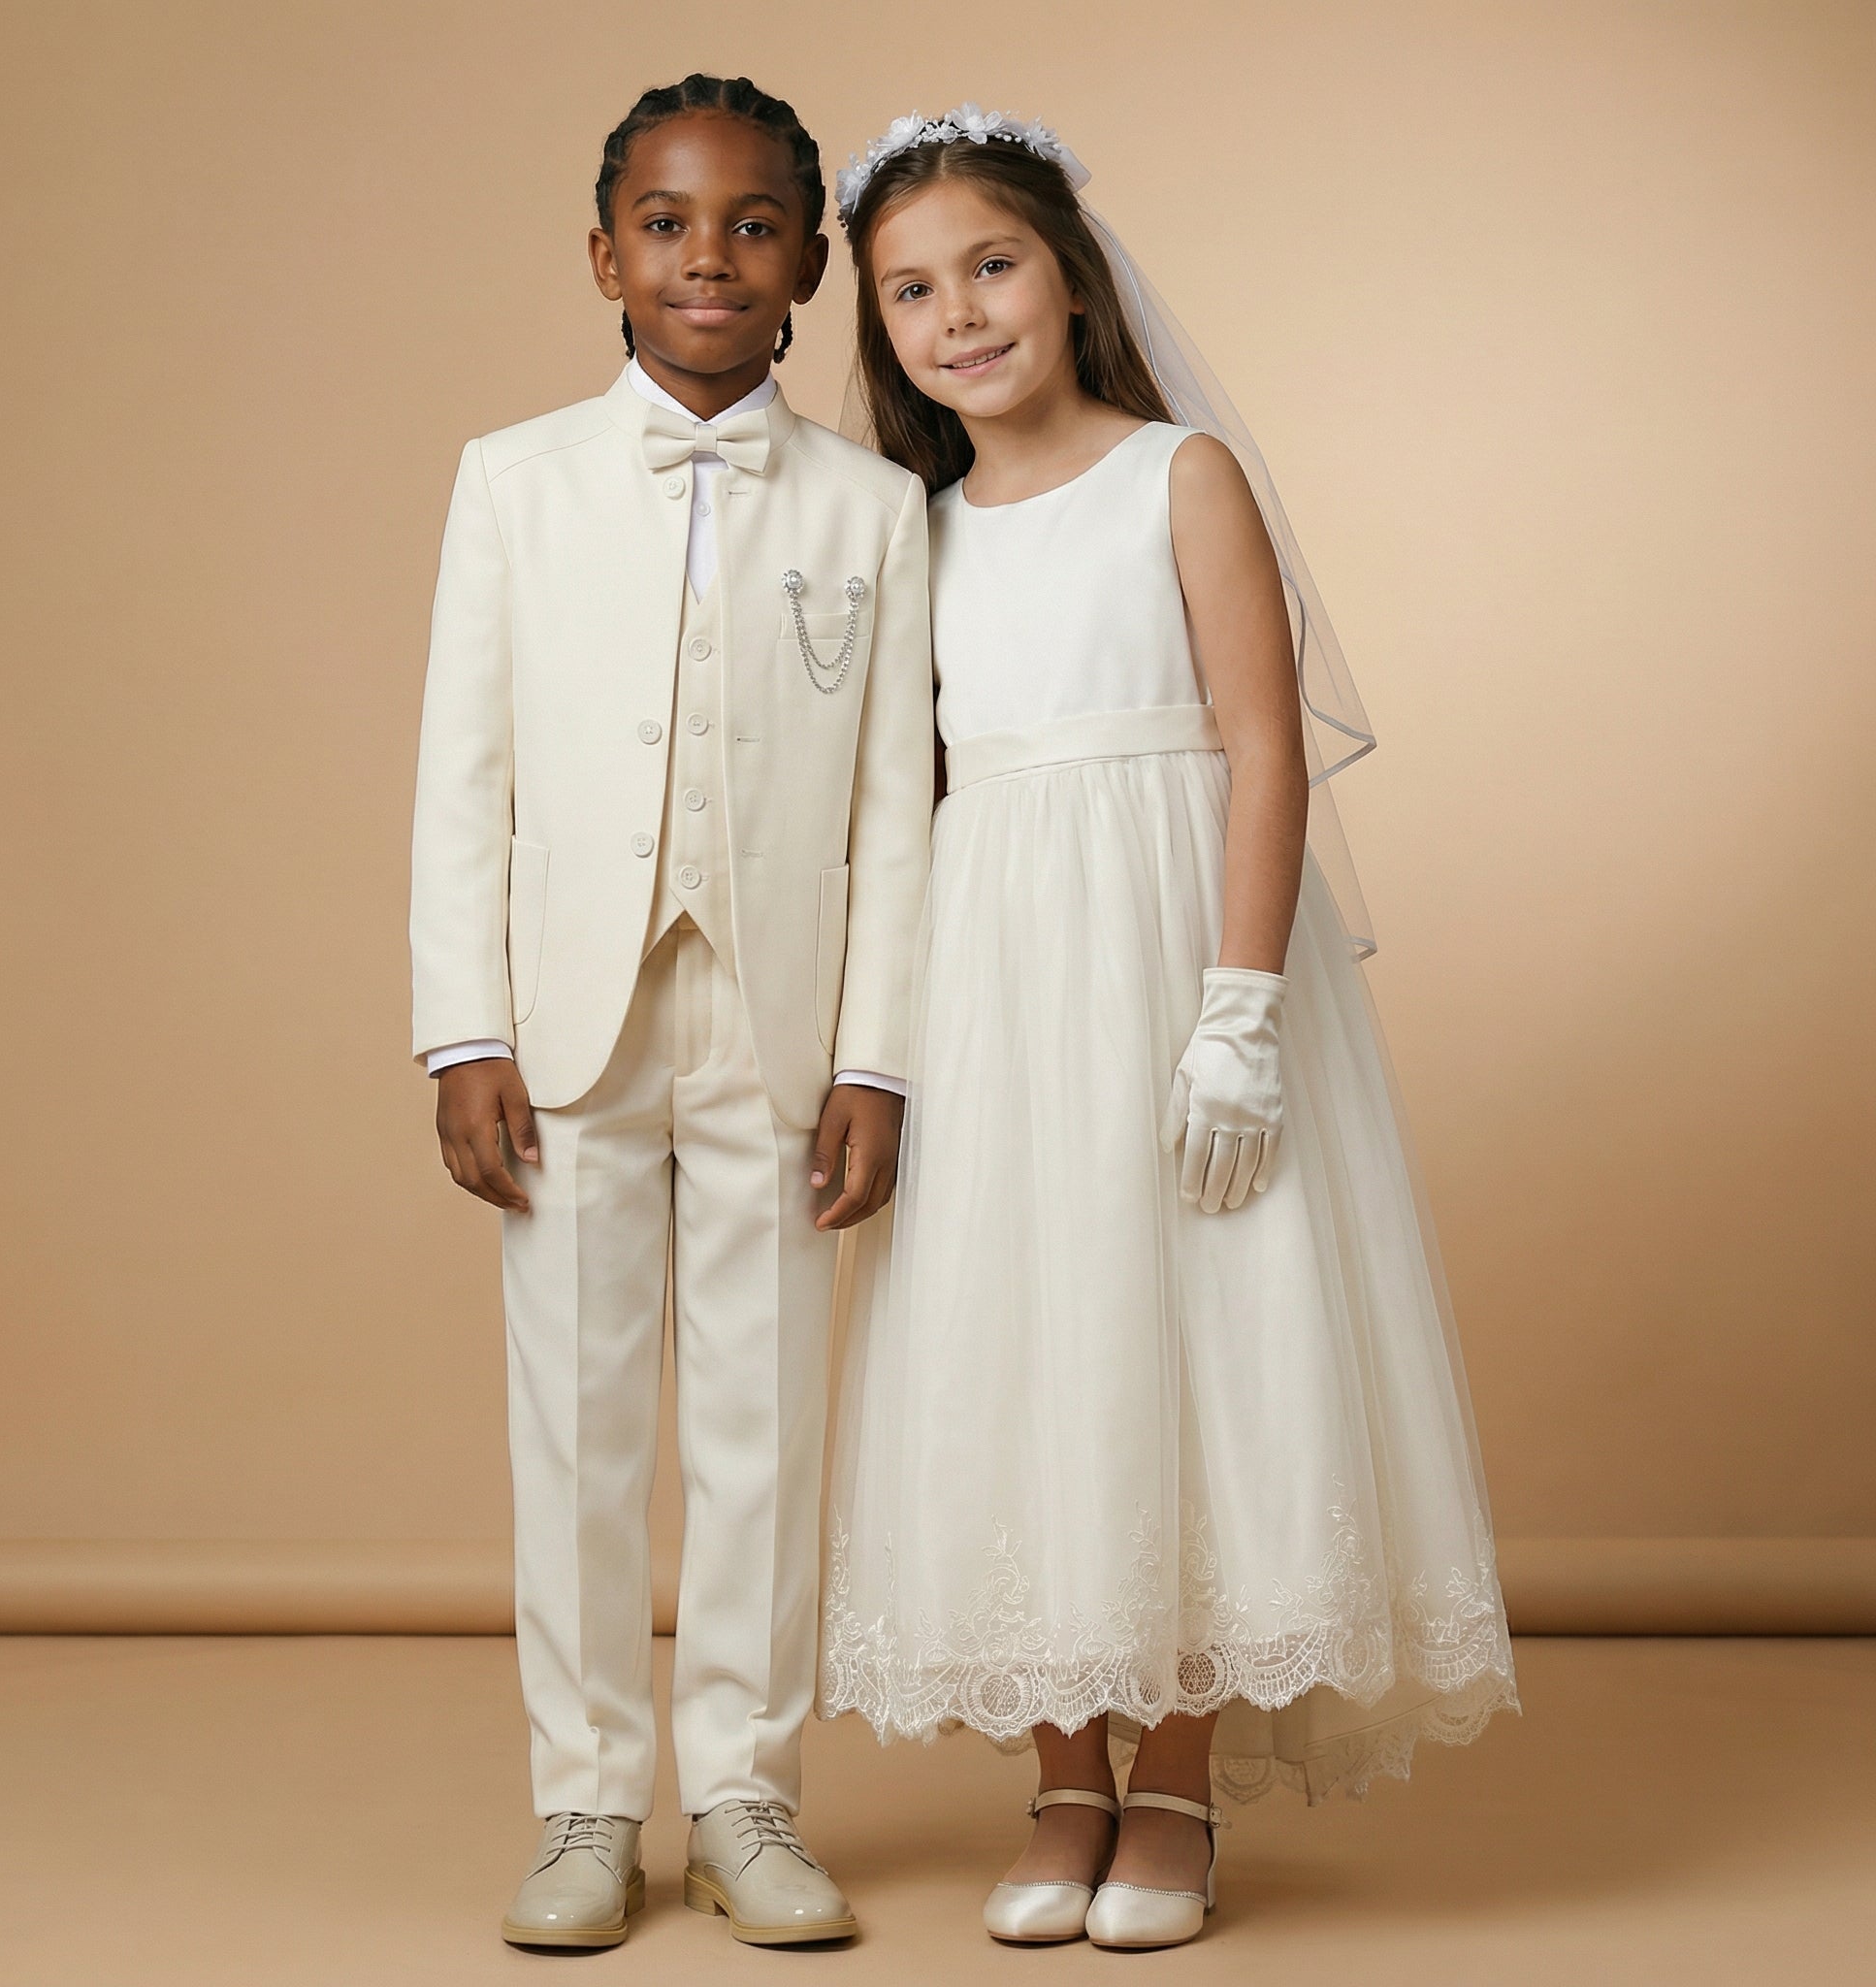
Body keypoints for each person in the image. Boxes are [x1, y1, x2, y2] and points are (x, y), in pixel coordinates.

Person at [822, 107, 1518, 1952]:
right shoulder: (918, 530)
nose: (958, 314)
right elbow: (909, 791)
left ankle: (1182, 1785)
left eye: (990, 266)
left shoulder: (1177, 475)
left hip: (1172, 949)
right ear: (881, 328)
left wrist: (1237, 1014)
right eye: (911, 291)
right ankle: (1067, 1776)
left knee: (1204, 1329)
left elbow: (1262, 746)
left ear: (1068, 274)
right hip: (994, 975)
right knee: (1037, 1336)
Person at [409, 74, 932, 1950]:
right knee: (577, 1421)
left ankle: (747, 1791)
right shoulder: (515, 480)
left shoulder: (877, 509)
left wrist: (876, 1053)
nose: (706, 255)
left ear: (808, 266)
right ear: (605, 253)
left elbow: (894, 801)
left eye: (752, 225)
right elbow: (462, 780)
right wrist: (459, 1028)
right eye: (665, 220)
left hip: (780, 1028)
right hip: (568, 1025)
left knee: (764, 1421)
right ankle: (582, 1800)